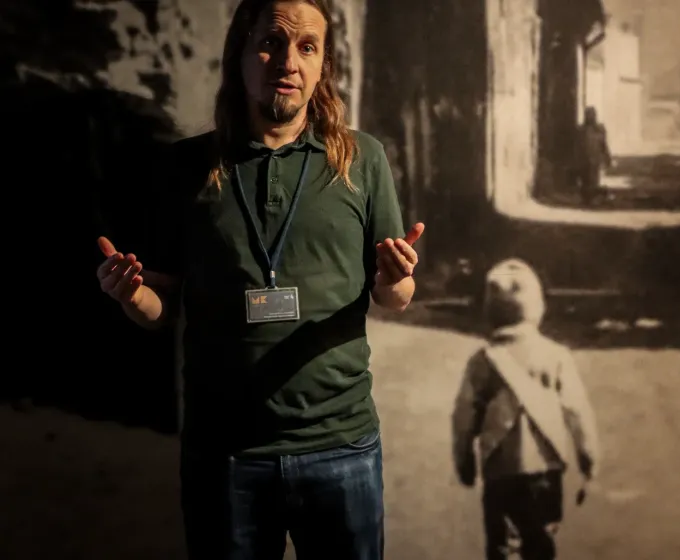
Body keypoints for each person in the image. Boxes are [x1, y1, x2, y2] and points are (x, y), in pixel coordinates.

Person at [93, 0, 422, 558]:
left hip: (340, 447)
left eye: (307, 47)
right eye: (271, 41)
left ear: (322, 67)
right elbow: (159, 306)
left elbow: (395, 297)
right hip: (225, 456)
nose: (287, 61)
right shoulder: (184, 169)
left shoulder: (362, 160)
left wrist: (397, 278)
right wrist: (130, 292)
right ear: (239, 54)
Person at [452, 258, 601, 560]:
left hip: (500, 469)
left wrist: (464, 459)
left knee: (504, 545)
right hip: (546, 468)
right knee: (541, 539)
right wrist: (589, 461)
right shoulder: (556, 356)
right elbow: (577, 411)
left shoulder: (482, 361)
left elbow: (464, 417)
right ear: (537, 308)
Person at [573, 106, 613, 206]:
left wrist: (607, 158)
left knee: (593, 179)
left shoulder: (599, 130)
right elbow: (576, 146)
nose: (590, 117)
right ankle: (586, 199)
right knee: (585, 179)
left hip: (594, 159)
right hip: (584, 159)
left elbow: (603, 145)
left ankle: (590, 199)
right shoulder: (581, 130)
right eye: (588, 115)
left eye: (592, 115)